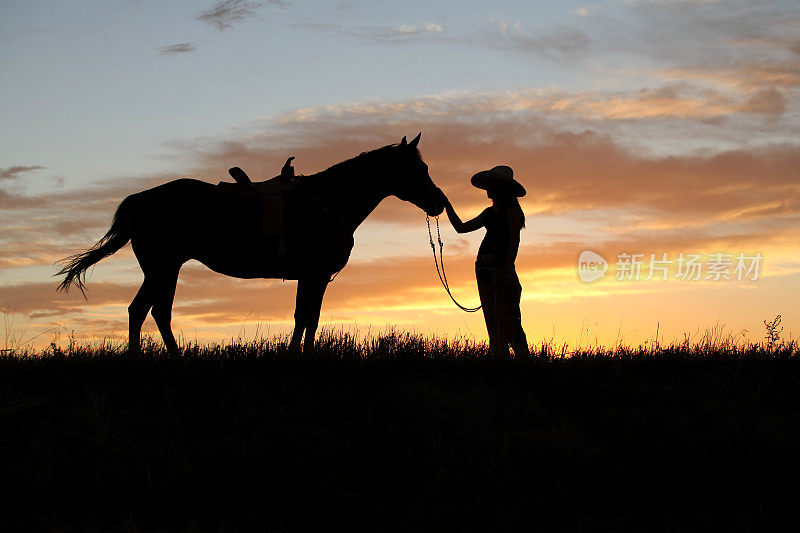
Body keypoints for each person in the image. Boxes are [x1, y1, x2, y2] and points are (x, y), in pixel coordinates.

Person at [440, 165, 530, 358]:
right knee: (492, 317)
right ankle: (500, 356)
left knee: (506, 317)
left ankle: (522, 358)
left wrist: (507, 266)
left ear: (500, 188)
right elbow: (461, 228)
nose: (487, 189)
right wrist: (447, 204)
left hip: (500, 269)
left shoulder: (511, 212)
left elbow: (514, 241)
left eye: (491, 185)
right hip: (483, 268)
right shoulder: (490, 212)